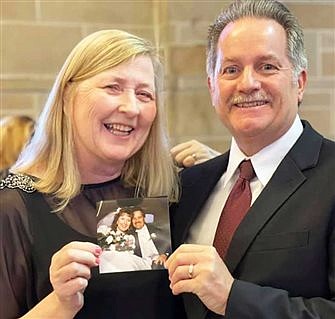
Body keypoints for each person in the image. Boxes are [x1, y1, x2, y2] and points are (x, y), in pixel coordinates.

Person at [166, 1, 335, 318]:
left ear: (299, 82)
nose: (247, 83)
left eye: (267, 66)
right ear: (212, 85)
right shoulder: (188, 187)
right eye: (231, 70)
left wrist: (233, 298)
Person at [0, 29, 185, 319]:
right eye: (112, 87)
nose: (131, 107)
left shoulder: (168, 192)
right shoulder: (13, 206)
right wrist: (60, 303)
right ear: (67, 97)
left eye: (144, 94)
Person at [98, 208, 152, 273]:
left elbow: (129, 254)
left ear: (130, 224)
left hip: (124, 265)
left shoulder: (130, 238)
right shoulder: (105, 230)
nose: (125, 223)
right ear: (117, 221)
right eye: (122, 219)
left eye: (128, 220)